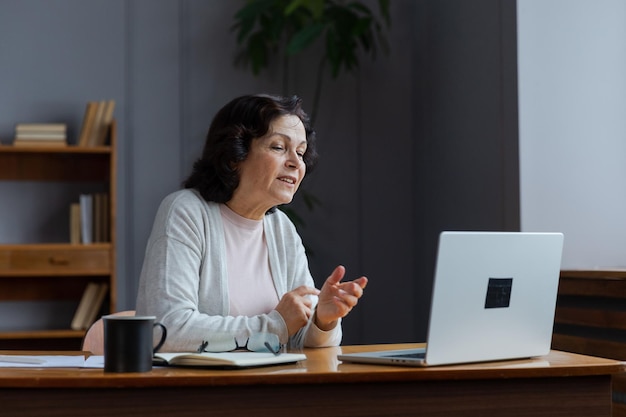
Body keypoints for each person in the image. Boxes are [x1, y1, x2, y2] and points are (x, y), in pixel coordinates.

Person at [135, 94, 368, 352]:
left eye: (300, 152)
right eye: (279, 147)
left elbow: (297, 340)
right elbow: (167, 331)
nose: (295, 162)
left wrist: (322, 321)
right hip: (200, 390)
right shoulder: (185, 211)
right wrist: (274, 325)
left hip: (269, 388)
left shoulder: (282, 230)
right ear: (234, 155)